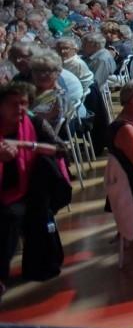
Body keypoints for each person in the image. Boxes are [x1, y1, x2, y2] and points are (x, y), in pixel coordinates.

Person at [0, 81, 72, 296]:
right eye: (14, 104)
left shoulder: (34, 123)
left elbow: (61, 149)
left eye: (24, 103)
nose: (20, 108)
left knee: (9, 217)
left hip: (29, 191)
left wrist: (24, 146)